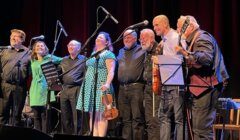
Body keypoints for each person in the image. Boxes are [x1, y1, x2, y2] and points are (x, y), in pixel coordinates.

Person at [175, 15, 229, 139]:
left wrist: (184, 53)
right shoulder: (194, 39)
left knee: (202, 130)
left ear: (192, 26)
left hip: (207, 88)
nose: (178, 31)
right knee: (198, 129)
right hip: (199, 89)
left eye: (180, 27)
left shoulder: (202, 37)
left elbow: (205, 58)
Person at [76, 31, 116, 137]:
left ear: (107, 42)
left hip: (101, 86)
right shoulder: (93, 54)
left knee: (101, 115)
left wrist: (107, 84)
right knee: (92, 114)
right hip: (90, 86)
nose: (97, 38)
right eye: (97, 37)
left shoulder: (108, 54)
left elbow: (111, 71)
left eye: (101, 37)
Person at [152, 15, 185, 140]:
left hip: (176, 83)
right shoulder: (164, 39)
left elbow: (181, 59)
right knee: (163, 117)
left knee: (178, 119)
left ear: (165, 24)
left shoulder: (176, 37)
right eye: (153, 25)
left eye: (157, 25)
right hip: (166, 82)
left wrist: (159, 60)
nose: (154, 28)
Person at [117, 29, 145, 140]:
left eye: (129, 37)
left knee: (137, 119)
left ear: (135, 38)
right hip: (122, 89)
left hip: (136, 88)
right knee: (125, 119)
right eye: (124, 37)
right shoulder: (120, 51)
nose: (126, 39)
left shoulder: (142, 49)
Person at [29, 40, 62, 133]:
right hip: (34, 88)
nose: (40, 47)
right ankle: (37, 135)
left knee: (45, 115)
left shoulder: (49, 58)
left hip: (45, 87)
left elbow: (63, 60)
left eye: (42, 46)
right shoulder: (32, 60)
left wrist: (57, 68)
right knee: (36, 116)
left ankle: (45, 135)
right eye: (38, 46)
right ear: (34, 49)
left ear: (45, 49)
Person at [0, 29, 31, 126]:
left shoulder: (28, 53)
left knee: (16, 115)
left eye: (15, 36)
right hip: (5, 86)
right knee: (2, 113)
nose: (12, 38)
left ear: (22, 39)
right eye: (11, 36)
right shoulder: (4, 51)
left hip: (20, 87)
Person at [58, 40, 86, 135]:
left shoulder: (84, 59)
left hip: (77, 89)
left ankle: (77, 135)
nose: (70, 47)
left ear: (79, 48)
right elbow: (59, 74)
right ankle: (67, 134)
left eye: (73, 45)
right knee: (65, 115)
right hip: (65, 89)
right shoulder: (64, 60)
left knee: (77, 116)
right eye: (69, 45)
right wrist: (59, 88)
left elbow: (86, 76)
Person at [139, 28, 162, 140]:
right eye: (140, 38)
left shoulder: (159, 49)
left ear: (152, 38)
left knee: (155, 120)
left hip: (157, 88)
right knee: (149, 120)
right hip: (148, 88)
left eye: (144, 38)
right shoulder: (146, 51)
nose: (141, 40)